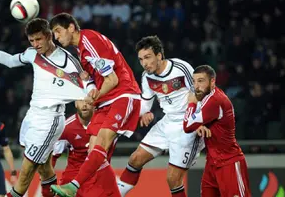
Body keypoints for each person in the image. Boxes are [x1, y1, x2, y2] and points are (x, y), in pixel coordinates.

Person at [0, 18, 92, 197]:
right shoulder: (32, 54)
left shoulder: (69, 62)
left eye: (39, 39)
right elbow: (9, 60)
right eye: (32, 40)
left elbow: (89, 86)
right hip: (32, 116)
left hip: (50, 121)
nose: (35, 44)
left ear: (49, 36)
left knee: (26, 172)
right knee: (43, 167)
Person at [50, 13, 141, 197]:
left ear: (71, 27)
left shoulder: (90, 41)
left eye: (58, 32)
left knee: (102, 143)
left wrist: (93, 96)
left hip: (122, 95)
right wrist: (89, 83)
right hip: (105, 101)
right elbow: (94, 77)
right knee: (94, 152)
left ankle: (74, 186)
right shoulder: (81, 50)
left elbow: (112, 80)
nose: (57, 38)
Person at [116, 36, 204, 197]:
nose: (144, 63)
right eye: (141, 59)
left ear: (159, 55)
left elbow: (202, 93)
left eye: (148, 57)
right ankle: (115, 194)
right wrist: (144, 113)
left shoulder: (181, 67)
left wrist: (200, 120)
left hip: (188, 126)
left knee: (172, 179)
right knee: (135, 159)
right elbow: (146, 103)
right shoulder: (146, 77)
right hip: (167, 123)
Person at [183, 65, 251, 196]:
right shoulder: (207, 97)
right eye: (194, 81)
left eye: (201, 81)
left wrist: (191, 103)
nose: (196, 86)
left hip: (229, 162)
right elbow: (197, 120)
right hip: (212, 164)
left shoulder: (215, 100)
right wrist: (198, 125)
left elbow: (187, 125)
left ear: (212, 81)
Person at [52, 100, 93, 197]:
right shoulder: (66, 128)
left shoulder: (105, 123)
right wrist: (48, 181)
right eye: (81, 100)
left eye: (87, 100)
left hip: (97, 175)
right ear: (75, 103)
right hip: (73, 176)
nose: (84, 104)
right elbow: (53, 156)